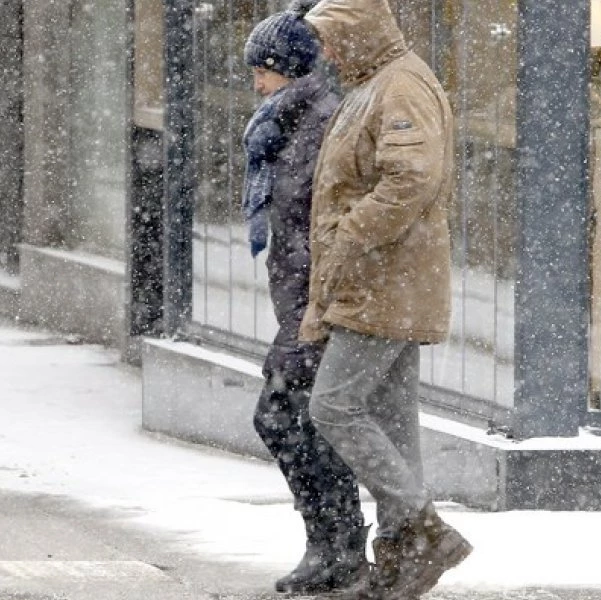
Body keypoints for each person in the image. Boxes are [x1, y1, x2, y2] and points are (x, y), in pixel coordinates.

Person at [297, 0, 470, 598]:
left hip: (385, 280)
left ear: (360, 34)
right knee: (394, 423)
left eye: (333, 39)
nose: (326, 52)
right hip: (383, 280)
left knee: (334, 407)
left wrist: (352, 234)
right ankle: (403, 556)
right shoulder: (376, 83)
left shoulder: (399, 86)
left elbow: (412, 177)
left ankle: (424, 531)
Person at [241, 9, 368, 594]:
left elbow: (323, 227)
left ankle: (337, 546)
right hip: (301, 302)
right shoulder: (287, 126)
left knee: (283, 417)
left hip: (318, 305)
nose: (256, 85)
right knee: (300, 421)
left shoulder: (320, 125)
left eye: (262, 72)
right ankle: (334, 547)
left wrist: (316, 308)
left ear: (288, 70)